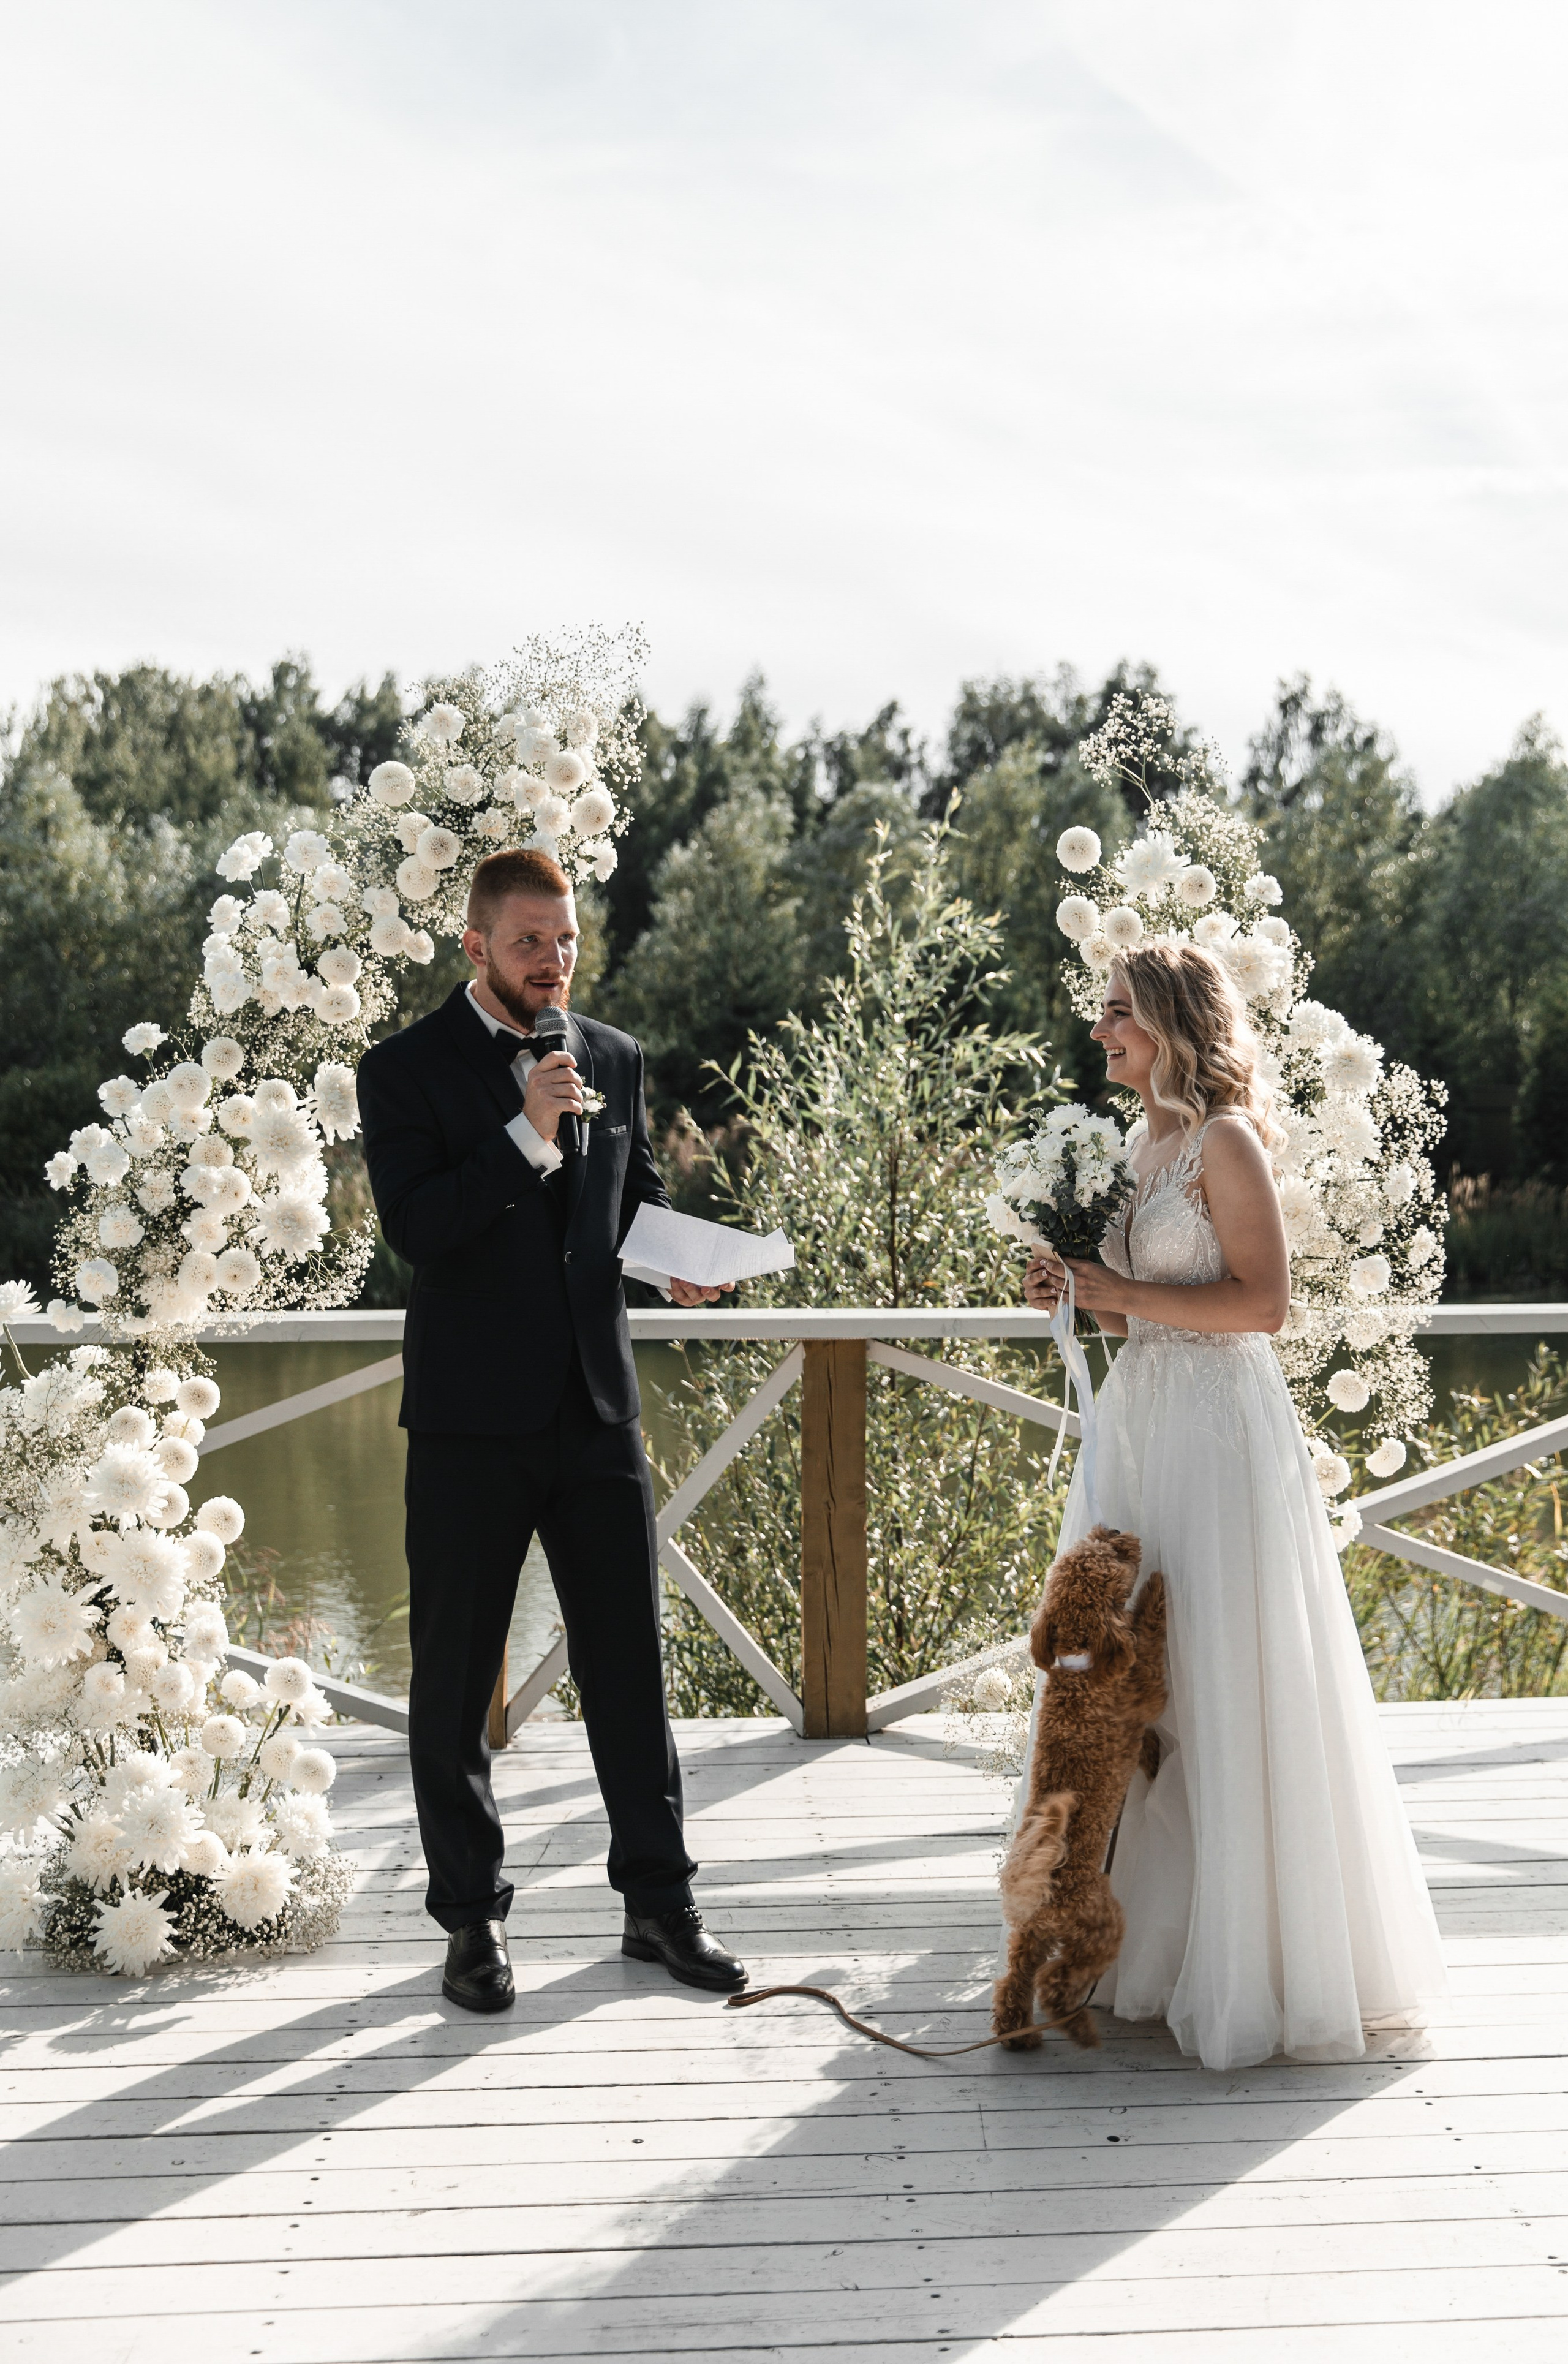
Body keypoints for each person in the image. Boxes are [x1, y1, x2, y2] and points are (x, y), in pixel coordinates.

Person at [1019, 942, 1446, 2070]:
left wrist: (1125, 1289)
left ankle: (1263, 1954)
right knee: (1127, 1687)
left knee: (1222, 1671)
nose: (1098, 1031)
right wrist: (1077, 1286)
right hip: (1146, 1422)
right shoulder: (1135, 1144)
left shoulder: (1224, 1141)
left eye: (1115, 1013)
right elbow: (1130, 1324)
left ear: (1165, 1023)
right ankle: (1153, 1942)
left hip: (1219, 1436)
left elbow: (1262, 1305)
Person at [356, 847, 747, 2012]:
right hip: (472, 1424)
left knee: (631, 1667)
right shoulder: (404, 1070)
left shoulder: (614, 1059)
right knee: (454, 1679)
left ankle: (659, 1906)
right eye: (530, 941)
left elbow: (626, 1210)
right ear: (474, 944)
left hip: (597, 1413)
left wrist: (675, 1266)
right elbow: (421, 1232)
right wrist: (526, 1132)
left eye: (566, 939)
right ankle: (471, 1923)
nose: (554, 961)